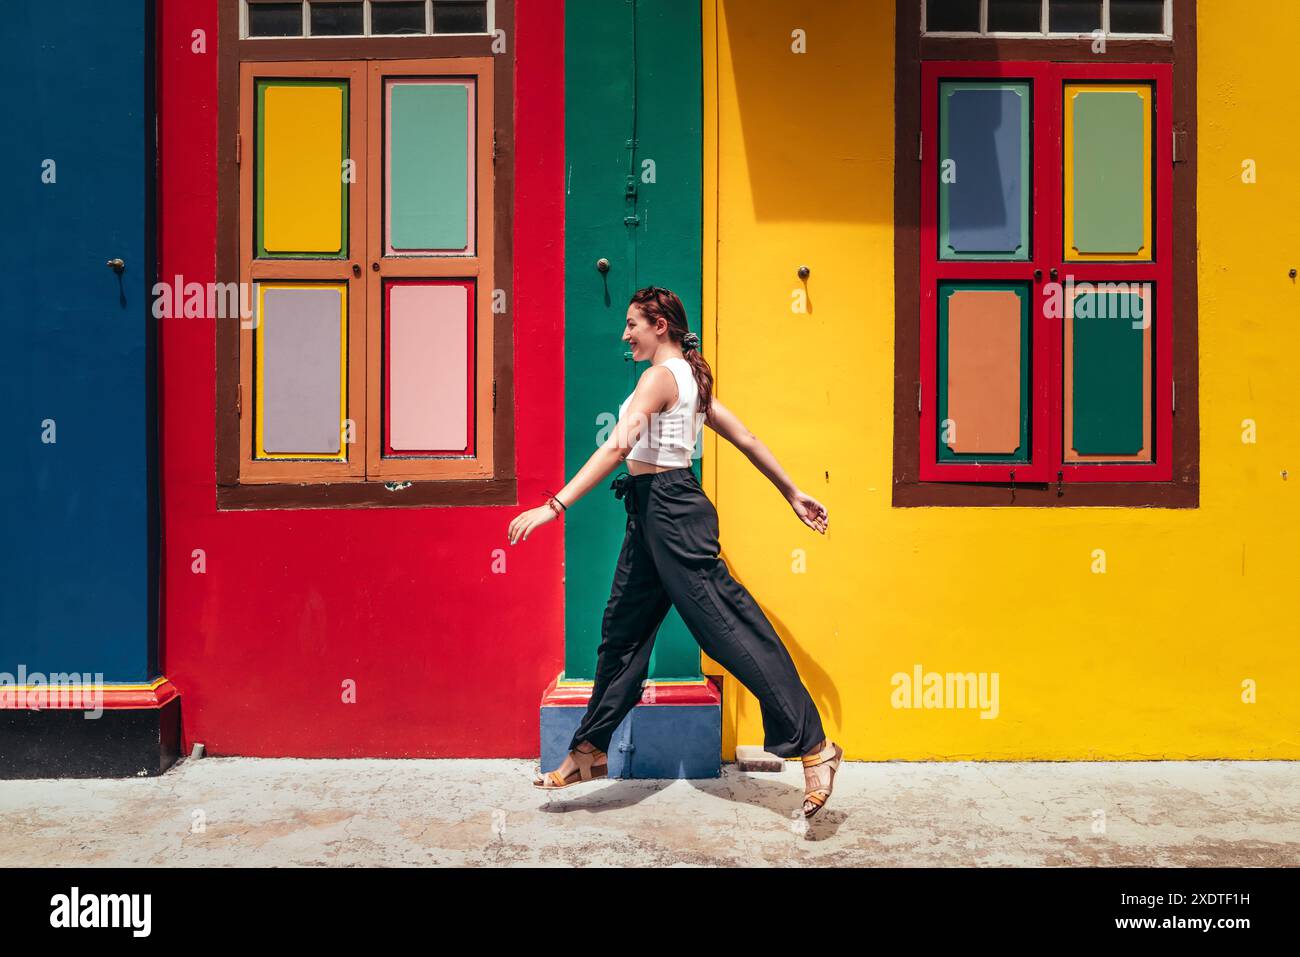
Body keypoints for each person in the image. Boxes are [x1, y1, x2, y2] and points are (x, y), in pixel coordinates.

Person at [507, 286, 844, 818]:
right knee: (622, 632)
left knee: (729, 630)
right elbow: (747, 437)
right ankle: (589, 749)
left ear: (659, 323)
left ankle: (816, 748)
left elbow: (619, 445)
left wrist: (555, 505)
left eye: (632, 325)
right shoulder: (690, 378)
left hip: (672, 514)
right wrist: (791, 492)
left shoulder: (661, 378)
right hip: (649, 515)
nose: (625, 335)